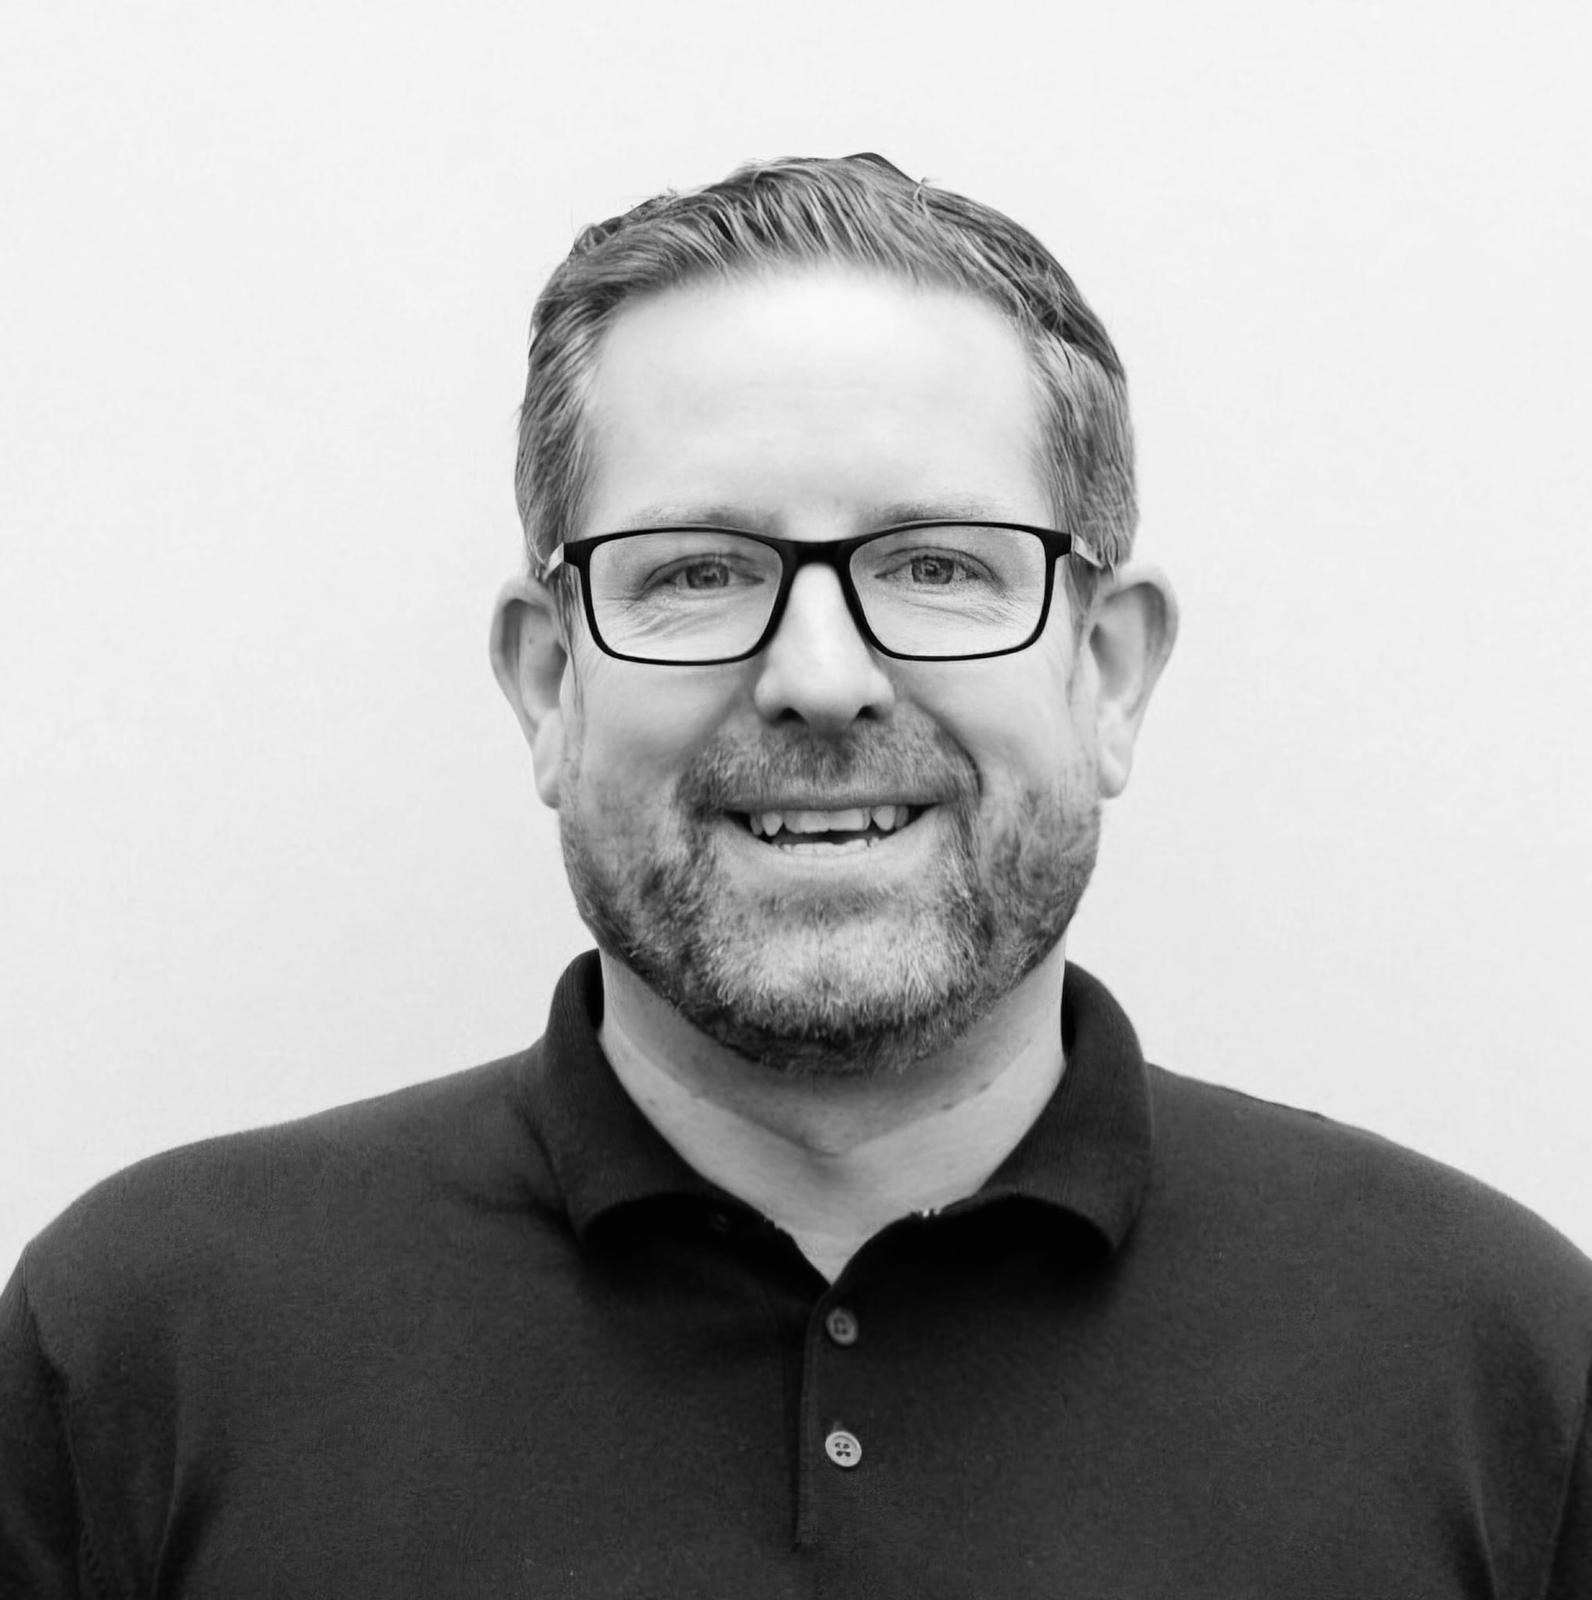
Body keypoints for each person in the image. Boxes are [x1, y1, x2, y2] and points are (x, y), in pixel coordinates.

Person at [2, 154, 1588, 1598]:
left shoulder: (1501, 1360)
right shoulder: (146, 1341)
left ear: (1107, 675)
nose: (818, 676)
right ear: (549, 686)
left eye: (939, 566)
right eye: (698, 573)